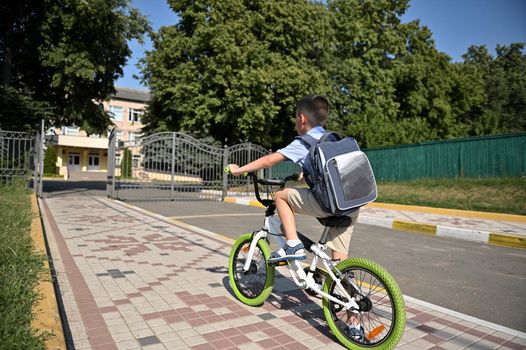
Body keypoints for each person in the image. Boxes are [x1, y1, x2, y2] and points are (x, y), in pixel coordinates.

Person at [227, 94, 359, 264]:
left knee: (280, 196)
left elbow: (268, 160)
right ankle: (344, 285)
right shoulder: (332, 140)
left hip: (328, 204)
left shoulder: (304, 143)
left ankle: (293, 245)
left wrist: (238, 170)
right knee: (339, 263)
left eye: (296, 118)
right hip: (351, 203)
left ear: (301, 119)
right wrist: (306, 174)